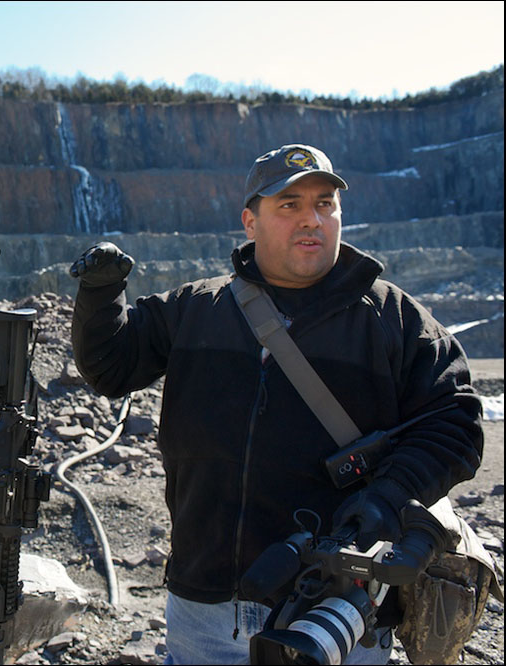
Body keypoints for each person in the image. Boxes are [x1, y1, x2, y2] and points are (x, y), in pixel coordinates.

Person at [68, 143, 483, 664]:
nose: (312, 219)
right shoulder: (195, 308)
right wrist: (101, 298)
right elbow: (111, 368)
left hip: (337, 613)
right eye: (289, 205)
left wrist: (388, 497)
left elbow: (457, 423)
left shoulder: (393, 319)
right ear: (250, 221)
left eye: (325, 204)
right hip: (205, 607)